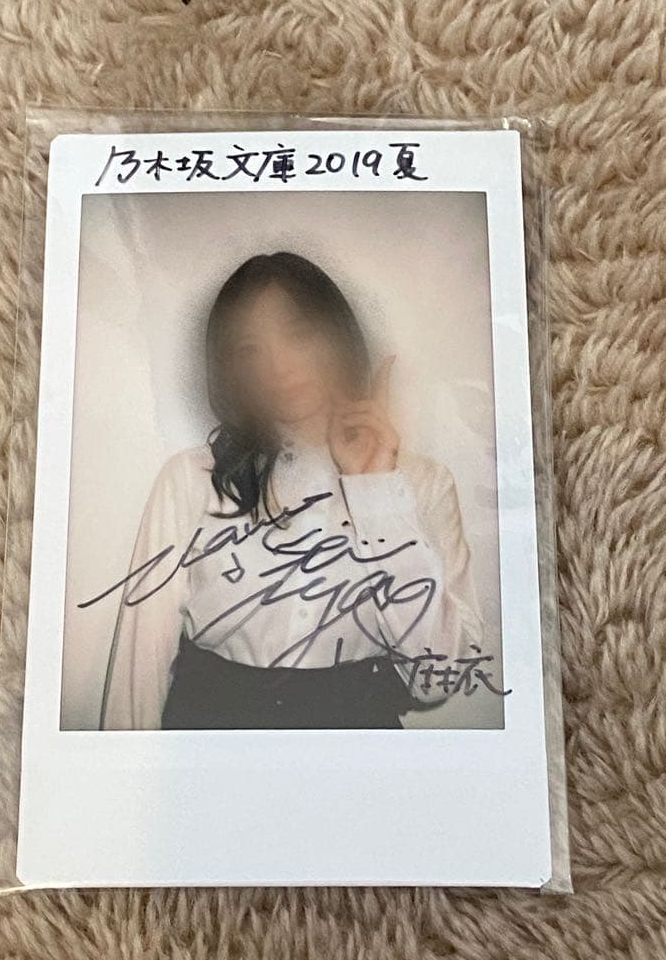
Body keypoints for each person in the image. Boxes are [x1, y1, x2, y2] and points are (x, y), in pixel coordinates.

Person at [100, 252, 483, 729]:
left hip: (355, 752)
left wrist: (377, 494)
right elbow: (137, 677)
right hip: (208, 742)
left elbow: (439, 678)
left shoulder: (423, 484)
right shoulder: (192, 478)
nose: (277, 366)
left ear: (336, 335)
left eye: (298, 334)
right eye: (249, 350)